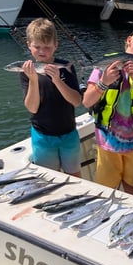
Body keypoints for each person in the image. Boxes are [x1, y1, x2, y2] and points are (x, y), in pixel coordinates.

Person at [82, 25, 133, 193]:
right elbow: (87, 101)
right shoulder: (106, 65)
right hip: (108, 143)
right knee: (107, 189)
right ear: (129, 40)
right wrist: (103, 82)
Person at [19, 17, 83, 177]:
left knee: (75, 176)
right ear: (29, 45)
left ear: (56, 45)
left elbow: (76, 101)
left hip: (69, 134)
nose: (42, 51)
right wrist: (33, 80)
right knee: (48, 179)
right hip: (43, 136)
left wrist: (57, 79)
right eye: (37, 46)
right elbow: (32, 108)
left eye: (47, 47)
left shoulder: (66, 66)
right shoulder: (26, 71)